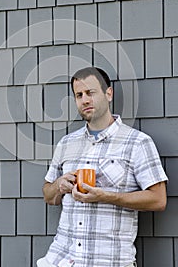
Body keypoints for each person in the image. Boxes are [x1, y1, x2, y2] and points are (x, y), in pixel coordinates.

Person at [37, 67, 167, 267]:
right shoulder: (66, 143)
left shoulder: (137, 142)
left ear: (108, 93)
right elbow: (48, 195)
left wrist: (105, 197)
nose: (85, 100)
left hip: (108, 261)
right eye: (79, 95)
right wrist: (59, 185)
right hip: (61, 259)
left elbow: (158, 200)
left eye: (90, 92)